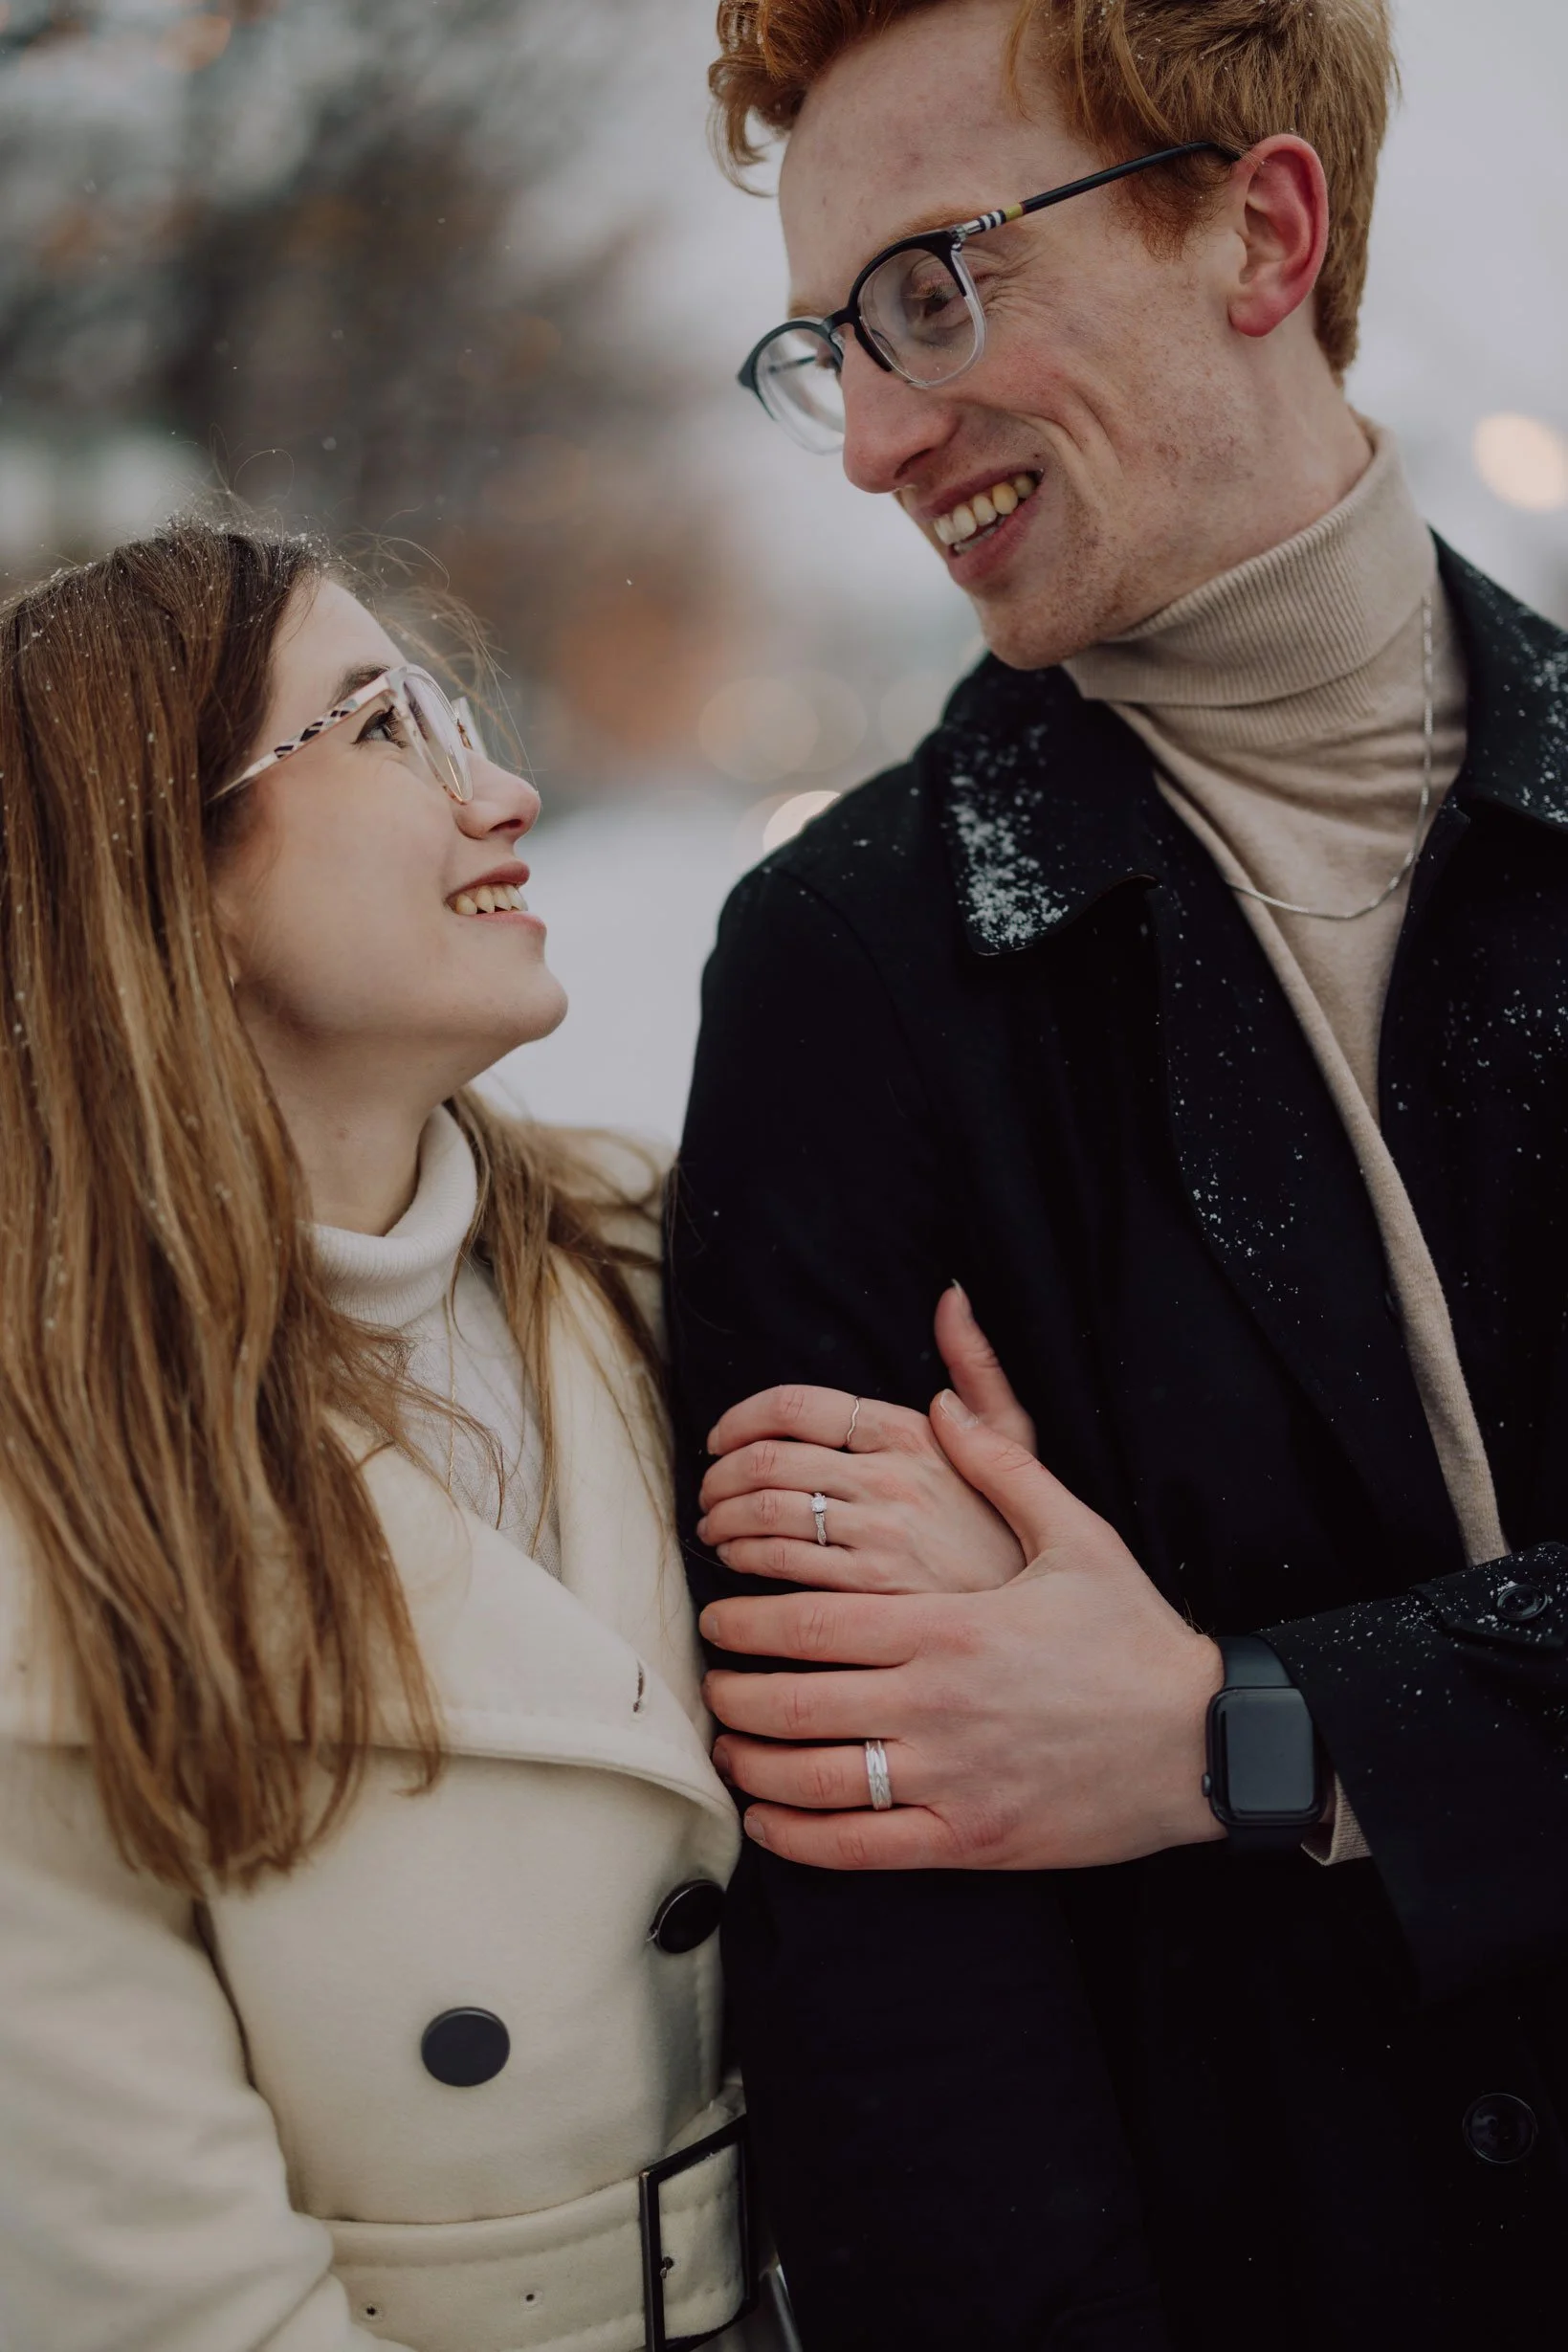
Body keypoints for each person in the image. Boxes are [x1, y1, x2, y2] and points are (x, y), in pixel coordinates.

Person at [670, 3, 1568, 2347]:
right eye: (826, 346)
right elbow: (889, 1956)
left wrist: (1230, 1728)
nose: (870, 439)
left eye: (935, 294)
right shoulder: (848, 973)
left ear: (1258, 230)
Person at [0, 518, 780, 2352]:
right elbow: (169, 2303)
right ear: (168, 875)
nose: (501, 789)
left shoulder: (668, 1267)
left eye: (457, 717)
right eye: (378, 729)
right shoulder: (47, 1500)